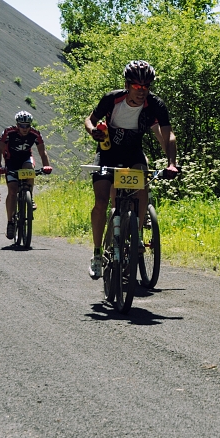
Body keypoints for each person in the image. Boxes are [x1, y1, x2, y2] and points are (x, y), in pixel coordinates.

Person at [84, 60, 179, 279]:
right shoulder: (112, 99)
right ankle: (97, 254)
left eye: (146, 87)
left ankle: (135, 236)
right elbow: (90, 119)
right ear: (127, 85)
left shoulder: (156, 105)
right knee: (100, 201)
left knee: (143, 188)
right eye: (137, 87)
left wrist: (171, 163)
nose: (142, 91)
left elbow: (168, 134)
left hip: (133, 152)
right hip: (108, 152)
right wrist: (92, 131)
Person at [0, 111, 52, 240]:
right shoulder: (8, 132)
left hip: (25, 159)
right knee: (13, 190)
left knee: (30, 169)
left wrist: (46, 166)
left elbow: (42, 152)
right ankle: (10, 222)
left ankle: (30, 195)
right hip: (11, 161)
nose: (25, 129)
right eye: (22, 126)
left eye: (27, 126)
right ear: (17, 125)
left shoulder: (35, 133)